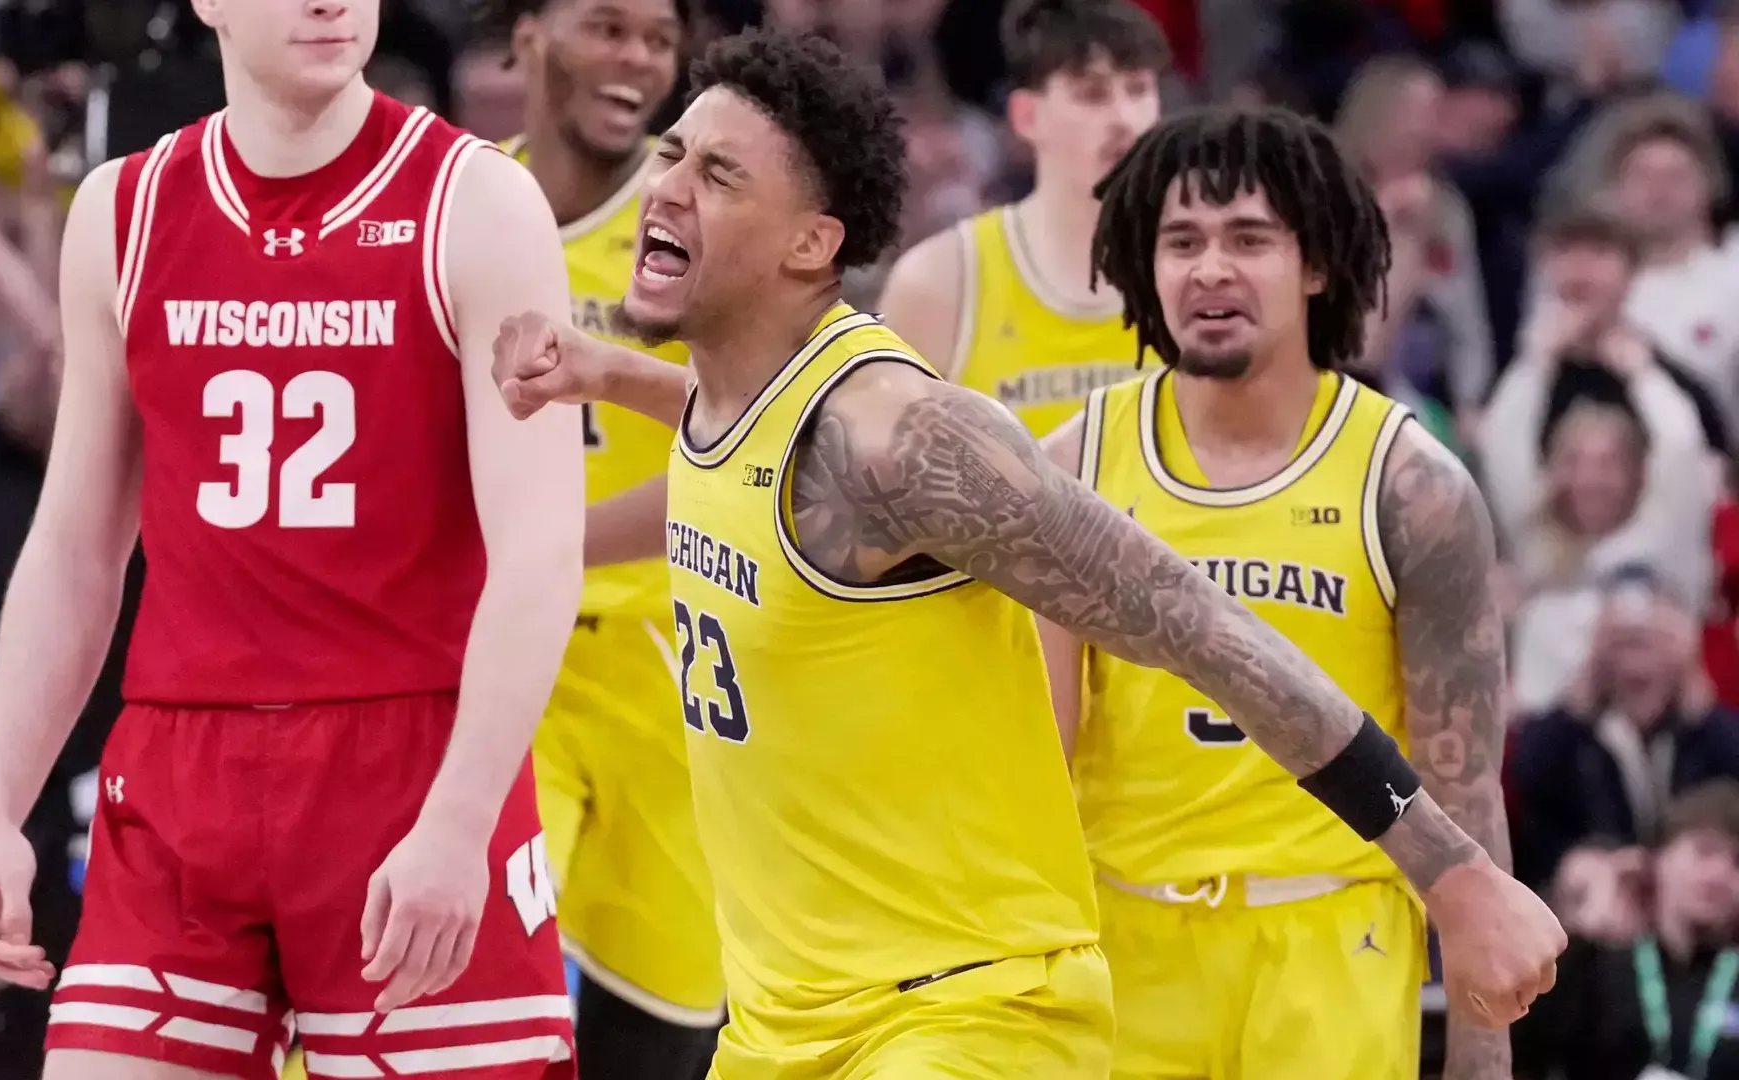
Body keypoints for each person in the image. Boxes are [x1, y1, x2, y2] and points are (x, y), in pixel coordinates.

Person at [493, 30, 1564, 1078]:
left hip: (968, 1012)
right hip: (787, 1019)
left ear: (811, 243)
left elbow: (1201, 624)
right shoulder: (761, 419)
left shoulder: (908, 438)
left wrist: (1452, 873)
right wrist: (603, 382)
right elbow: (766, 456)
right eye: (671, 154)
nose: (664, 188)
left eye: (717, 173)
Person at [0, 0, 587, 1077]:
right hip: (179, 770)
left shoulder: (478, 202)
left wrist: (461, 818)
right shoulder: (123, 208)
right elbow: (75, 545)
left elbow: (539, 548)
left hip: (406, 759)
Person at [1029, 104, 1517, 1080]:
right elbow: (1038, 753)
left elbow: (1462, 786)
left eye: (1249, 238)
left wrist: (1483, 1053)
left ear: (1315, 263)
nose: (1210, 268)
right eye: (1182, 241)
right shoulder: (1071, 465)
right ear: (1143, 264)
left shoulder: (1411, 487)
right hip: (1122, 936)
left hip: (1331, 939)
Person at [492, 0, 725, 1075]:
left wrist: (546, 541)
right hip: (492, 667)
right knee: (458, 1010)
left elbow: (757, 450)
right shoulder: (451, 204)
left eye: (658, 38)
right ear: (529, 30)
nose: (638, 57)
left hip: (667, 674)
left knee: (662, 1037)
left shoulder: (701, 224)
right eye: (608, 26)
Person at [878, 0, 1164, 436]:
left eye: (1139, 89)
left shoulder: (1198, 272)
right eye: (1093, 94)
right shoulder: (939, 284)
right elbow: (884, 483)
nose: (1124, 119)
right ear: (1027, 116)